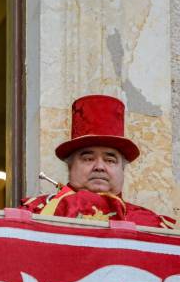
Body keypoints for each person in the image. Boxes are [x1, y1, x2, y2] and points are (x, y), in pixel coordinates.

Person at [20, 95, 175, 229]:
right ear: (70, 166)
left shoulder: (150, 224)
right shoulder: (35, 212)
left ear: (123, 170)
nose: (99, 167)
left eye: (110, 160)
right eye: (88, 159)